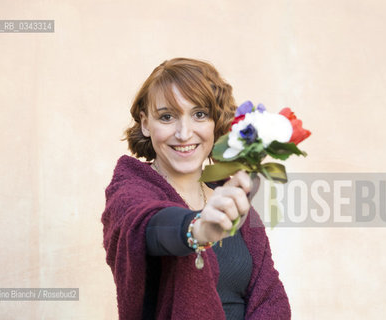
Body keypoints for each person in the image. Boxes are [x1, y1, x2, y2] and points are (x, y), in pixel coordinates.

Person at [101, 58, 291, 319]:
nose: (184, 133)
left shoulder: (229, 196)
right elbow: (147, 224)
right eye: (167, 117)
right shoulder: (129, 191)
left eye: (199, 114)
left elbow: (269, 296)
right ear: (146, 124)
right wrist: (197, 229)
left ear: (216, 121)